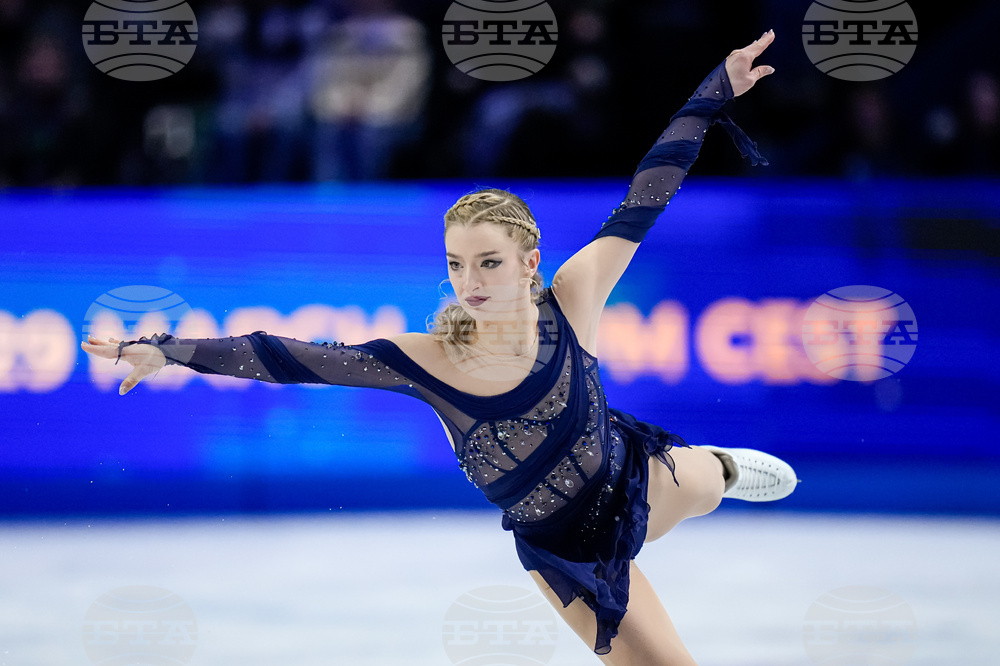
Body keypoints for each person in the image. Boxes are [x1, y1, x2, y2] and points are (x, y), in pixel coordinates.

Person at [82, 30, 794, 665]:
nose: (470, 281)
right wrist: (168, 351)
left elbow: (648, 192)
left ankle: (725, 465)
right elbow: (287, 356)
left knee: (706, 484)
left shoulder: (576, 295)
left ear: (528, 261)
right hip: (563, 551)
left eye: (487, 262)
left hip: (636, 481)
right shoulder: (428, 360)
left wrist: (715, 90)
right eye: (457, 264)